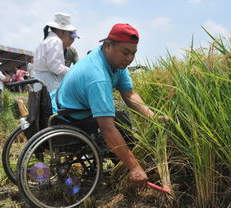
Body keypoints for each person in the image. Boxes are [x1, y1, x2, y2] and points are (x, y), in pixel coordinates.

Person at [50, 23, 167, 187]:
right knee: (119, 121)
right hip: (67, 118)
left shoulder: (116, 63)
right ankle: (130, 170)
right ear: (107, 46)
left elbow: (129, 94)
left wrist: (152, 117)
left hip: (67, 105)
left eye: (133, 54)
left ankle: (126, 165)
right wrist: (135, 167)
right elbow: (107, 128)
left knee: (120, 117)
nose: (129, 58)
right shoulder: (98, 76)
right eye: (125, 52)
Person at [33, 12, 79, 92]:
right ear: (63, 31)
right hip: (49, 82)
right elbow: (55, 67)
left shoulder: (44, 39)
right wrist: (71, 71)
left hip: (39, 80)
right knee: (50, 104)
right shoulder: (56, 41)